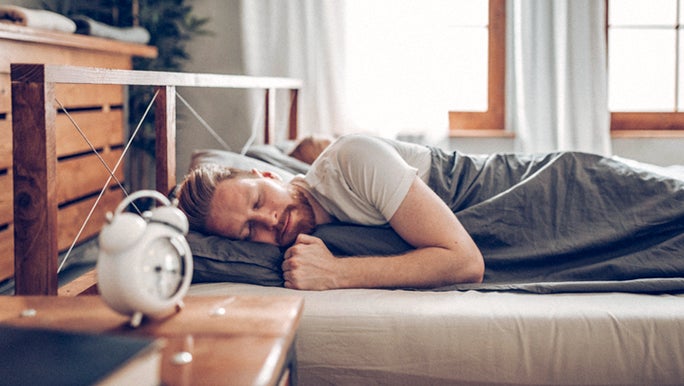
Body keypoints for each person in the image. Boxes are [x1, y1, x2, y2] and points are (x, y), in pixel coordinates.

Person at [177, 134, 684, 291]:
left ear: (268, 176)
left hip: (553, 191)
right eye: (248, 232)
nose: (268, 222)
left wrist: (337, 273)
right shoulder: (318, 228)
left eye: (259, 204)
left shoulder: (350, 160)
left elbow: (465, 262)